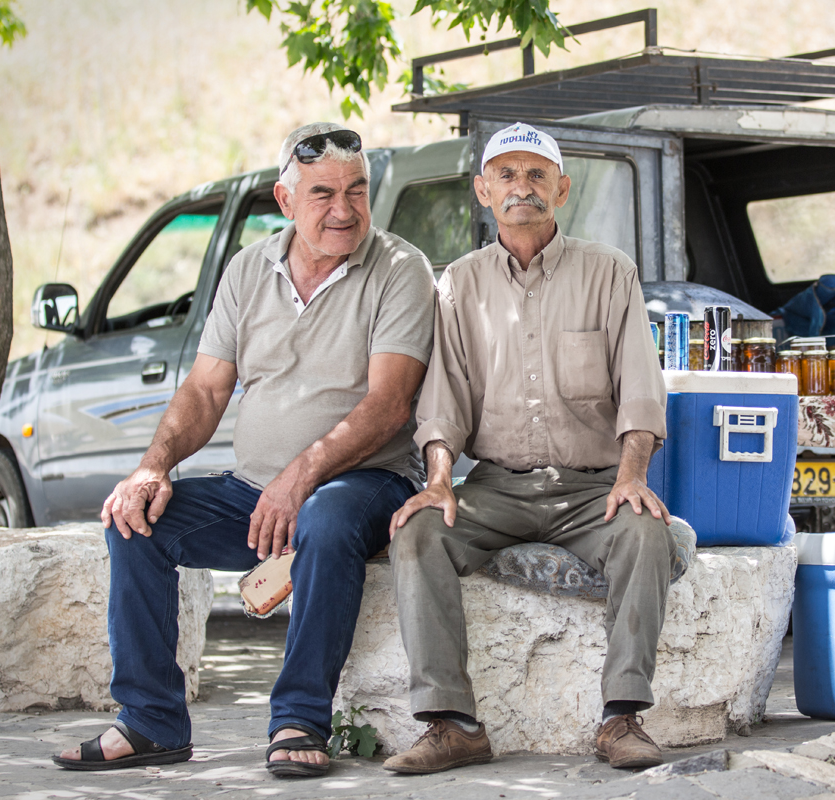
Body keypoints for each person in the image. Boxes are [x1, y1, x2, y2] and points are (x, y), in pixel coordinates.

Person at [51, 122, 436, 779]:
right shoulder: (247, 270)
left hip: (364, 481)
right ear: (286, 201)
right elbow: (204, 390)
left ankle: (299, 718)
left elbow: (389, 405)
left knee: (325, 516)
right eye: (322, 194)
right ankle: (151, 722)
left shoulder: (400, 270)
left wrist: (301, 476)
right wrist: (154, 465)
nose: (344, 210)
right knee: (136, 524)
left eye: (357, 191)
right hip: (254, 492)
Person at [385, 122, 674, 775]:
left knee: (647, 534)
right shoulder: (458, 283)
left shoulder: (609, 272)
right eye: (508, 176)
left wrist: (632, 474)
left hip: (594, 488)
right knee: (420, 535)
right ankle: (452, 724)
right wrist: (438, 480)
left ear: (562, 189)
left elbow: (640, 388)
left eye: (538, 175)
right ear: (485, 191)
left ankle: (621, 718)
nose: (524, 188)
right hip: (497, 488)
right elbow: (445, 401)